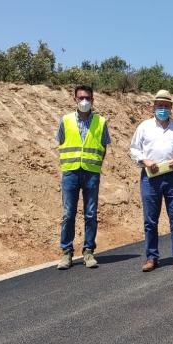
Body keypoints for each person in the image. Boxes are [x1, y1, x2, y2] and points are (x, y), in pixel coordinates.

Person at [129, 89, 173, 272]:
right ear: (154, 106)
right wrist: (145, 161)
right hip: (150, 178)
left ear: (171, 107)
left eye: (166, 106)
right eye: (160, 105)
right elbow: (134, 149)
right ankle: (151, 258)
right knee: (150, 220)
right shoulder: (144, 127)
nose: (163, 108)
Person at [56, 85, 111, 270]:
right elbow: (61, 143)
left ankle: (88, 251)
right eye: (80, 98)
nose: (84, 101)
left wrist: (95, 167)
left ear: (93, 100)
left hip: (91, 173)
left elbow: (103, 148)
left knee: (90, 213)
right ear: (75, 100)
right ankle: (66, 252)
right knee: (68, 213)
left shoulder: (101, 122)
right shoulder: (65, 120)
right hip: (70, 172)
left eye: (87, 97)